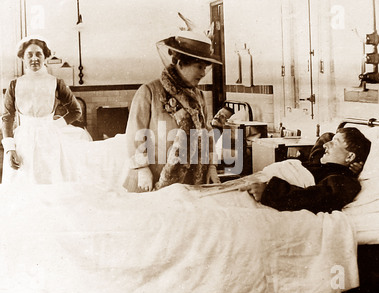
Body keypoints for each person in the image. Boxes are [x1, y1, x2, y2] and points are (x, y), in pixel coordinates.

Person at [1, 35, 127, 186]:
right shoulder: (15, 84)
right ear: (22, 58)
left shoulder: (55, 82)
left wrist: (55, 125)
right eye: (29, 54)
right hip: (23, 141)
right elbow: (7, 118)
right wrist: (9, 149)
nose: (34, 58)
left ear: (45, 57)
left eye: (38, 54)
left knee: (50, 181)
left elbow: (76, 111)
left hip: (49, 140)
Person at [124, 13, 221, 192]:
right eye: (199, 66)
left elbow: (206, 133)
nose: (203, 73)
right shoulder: (149, 92)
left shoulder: (198, 96)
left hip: (191, 180)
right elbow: (134, 133)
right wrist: (142, 168)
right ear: (180, 63)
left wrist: (212, 166)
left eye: (205, 67)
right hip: (152, 180)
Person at [243, 127, 371, 214]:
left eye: (335, 143)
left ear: (350, 156)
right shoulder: (318, 162)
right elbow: (325, 137)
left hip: (264, 191)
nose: (326, 145)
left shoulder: (344, 179)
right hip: (257, 180)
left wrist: (269, 191)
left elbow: (314, 198)